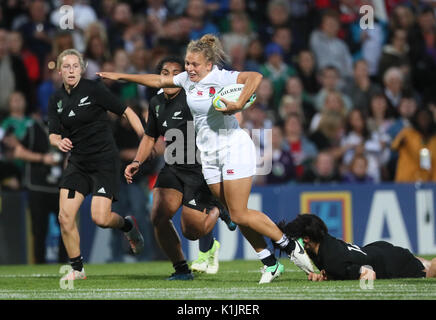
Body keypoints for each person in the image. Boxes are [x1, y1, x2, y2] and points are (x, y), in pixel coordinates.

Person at [97, 34, 314, 284]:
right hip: (209, 157)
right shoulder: (187, 80)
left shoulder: (220, 76)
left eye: (194, 64)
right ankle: (269, 262)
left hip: (233, 148)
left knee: (240, 213)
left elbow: (255, 77)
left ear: (209, 65)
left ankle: (289, 246)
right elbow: (158, 79)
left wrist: (238, 104)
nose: (189, 68)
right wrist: (120, 76)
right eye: (187, 63)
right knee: (234, 213)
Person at [123, 56, 236, 280]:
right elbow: (149, 136)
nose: (171, 77)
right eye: (165, 72)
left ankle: (219, 208)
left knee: (191, 231)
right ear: (159, 77)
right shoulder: (156, 103)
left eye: (177, 72)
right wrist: (137, 161)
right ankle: (181, 269)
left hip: (200, 168)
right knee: (158, 217)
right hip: (173, 166)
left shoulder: (194, 96)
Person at [47, 49, 145, 281]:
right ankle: (78, 269)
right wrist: (58, 141)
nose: (71, 71)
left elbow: (127, 111)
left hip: (104, 161)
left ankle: (128, 226)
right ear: (59, 71)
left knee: (100, 219)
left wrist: (144, 138)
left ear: (81, 69)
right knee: (65, 217)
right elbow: (52, 134)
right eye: (66, 67)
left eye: (75, 66)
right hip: (78, 163)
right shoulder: (56, 100)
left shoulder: (93, 89)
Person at [275, 213, 436, 281]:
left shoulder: (331, 260)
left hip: (391, 264)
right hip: (379, 251)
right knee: (428, 263)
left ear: (307, 239)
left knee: (431, 270)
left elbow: (368, 274)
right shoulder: (325, 242)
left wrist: (335, 275)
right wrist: (327, 276)